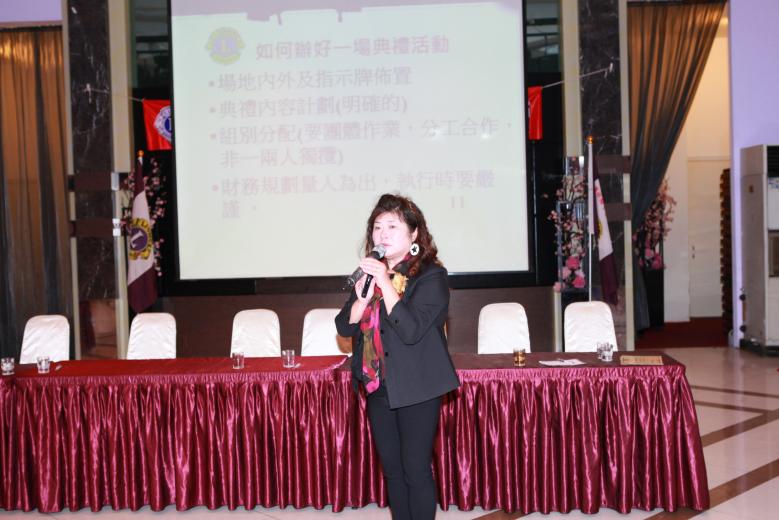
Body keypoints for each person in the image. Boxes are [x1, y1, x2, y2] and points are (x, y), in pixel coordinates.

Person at [335, 193, 460, 520]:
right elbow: (344, 327)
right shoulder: (368, 274)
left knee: (415, 469)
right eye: (377, 227)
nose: (383, 234)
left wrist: (384, 282)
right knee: (392, 470)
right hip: (379, 385)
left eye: (392, 226)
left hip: (418, 385)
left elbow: (411, 329)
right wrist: (362, 299)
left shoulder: (431, 276)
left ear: (414, 234)